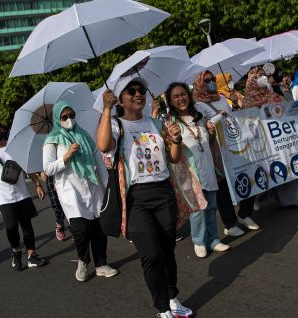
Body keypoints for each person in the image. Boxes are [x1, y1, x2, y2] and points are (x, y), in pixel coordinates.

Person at [96, 78, 193, 318]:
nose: (137, 94)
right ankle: (162, 308)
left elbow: (173, 158)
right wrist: (107, 109)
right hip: (136, 199)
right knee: (150, 255)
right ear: (121, 98)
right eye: (131, 91)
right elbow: (103, 145)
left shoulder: (157, 123)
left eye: (141, 90)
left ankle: (172, 298)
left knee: (167, 252)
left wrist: (177, 139)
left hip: (163, 193)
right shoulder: (116, 124)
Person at [43, 101, 119, 281]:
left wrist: (107, 184)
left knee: (99, 227)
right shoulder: (52, 140)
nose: (69, 119)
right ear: (57, 119)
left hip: (93, 187)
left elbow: (98, 160)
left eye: (71, 115)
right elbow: (48, 169)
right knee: (81, 229)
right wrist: (67, 155)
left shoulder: (84, 135)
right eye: (64, 117)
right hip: (71, 191)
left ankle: (101, 264)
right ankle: (83, 260)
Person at [166, 82, 230, 258]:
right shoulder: (171, 123)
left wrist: (210, 133)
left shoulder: (199, 117)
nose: (181, 98)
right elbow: (172, 152)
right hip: (190, 173)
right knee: (198, 209)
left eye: (183, 94)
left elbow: (206, 142)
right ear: (170, 101)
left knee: (211, 205)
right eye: (176, 96)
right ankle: (199, 241)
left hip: (207, 167)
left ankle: (213, 239)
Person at [241, 67, 298, 208]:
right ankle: (259, 199)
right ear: (252, 79)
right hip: (265, 143)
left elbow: (289, 107)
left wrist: (286, 91)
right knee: (269, 171)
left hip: (281, 137)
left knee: (292, 163)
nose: (263, 78)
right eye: (259, 75)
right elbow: (248, 124)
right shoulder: (247, 101)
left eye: (264, 75)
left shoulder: (273, 94)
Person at [0, 120, 47, 271]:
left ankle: (31, 255)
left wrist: (37, 184)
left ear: (4, 130)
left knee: (27, 225)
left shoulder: (14, 146)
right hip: (4, 198)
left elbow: (26, 166)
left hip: (22, 193)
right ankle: (16, 251)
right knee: (11, 227)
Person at [192, 71, 247, 238]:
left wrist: (235, 105)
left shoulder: (222, 98)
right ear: (200, 83)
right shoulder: (198, 105)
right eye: (207, 80)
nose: (212, 83)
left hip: (234, 143)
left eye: (213, 79)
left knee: (242, 176)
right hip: (217, 149)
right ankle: (229, 223)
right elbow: (204, 125)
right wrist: (218, 117)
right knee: (223, 186)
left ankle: (244, 213)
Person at [39, 172, 68, 241]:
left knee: (70, 200)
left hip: (66, 172)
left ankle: (73, 227)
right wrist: (41, 172)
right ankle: (59, 223)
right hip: (50, 173)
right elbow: (37, 161)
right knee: (55, 203)